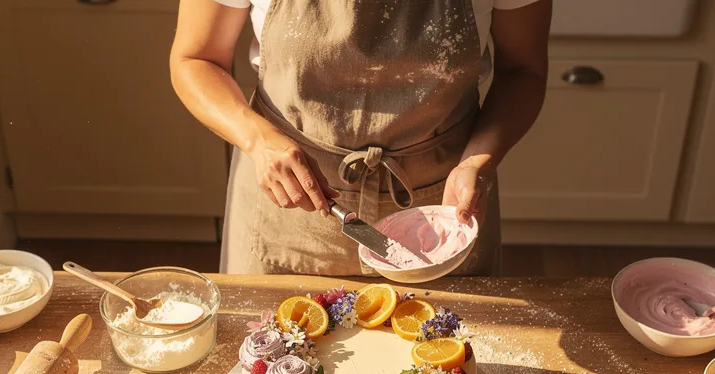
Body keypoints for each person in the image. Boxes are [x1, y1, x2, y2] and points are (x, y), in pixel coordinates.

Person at [170, 0, 551, 276]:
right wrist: (258, 140)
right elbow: (196, 59)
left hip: (444, 209)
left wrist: (477, 161)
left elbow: (523, 69)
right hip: (292, 203)